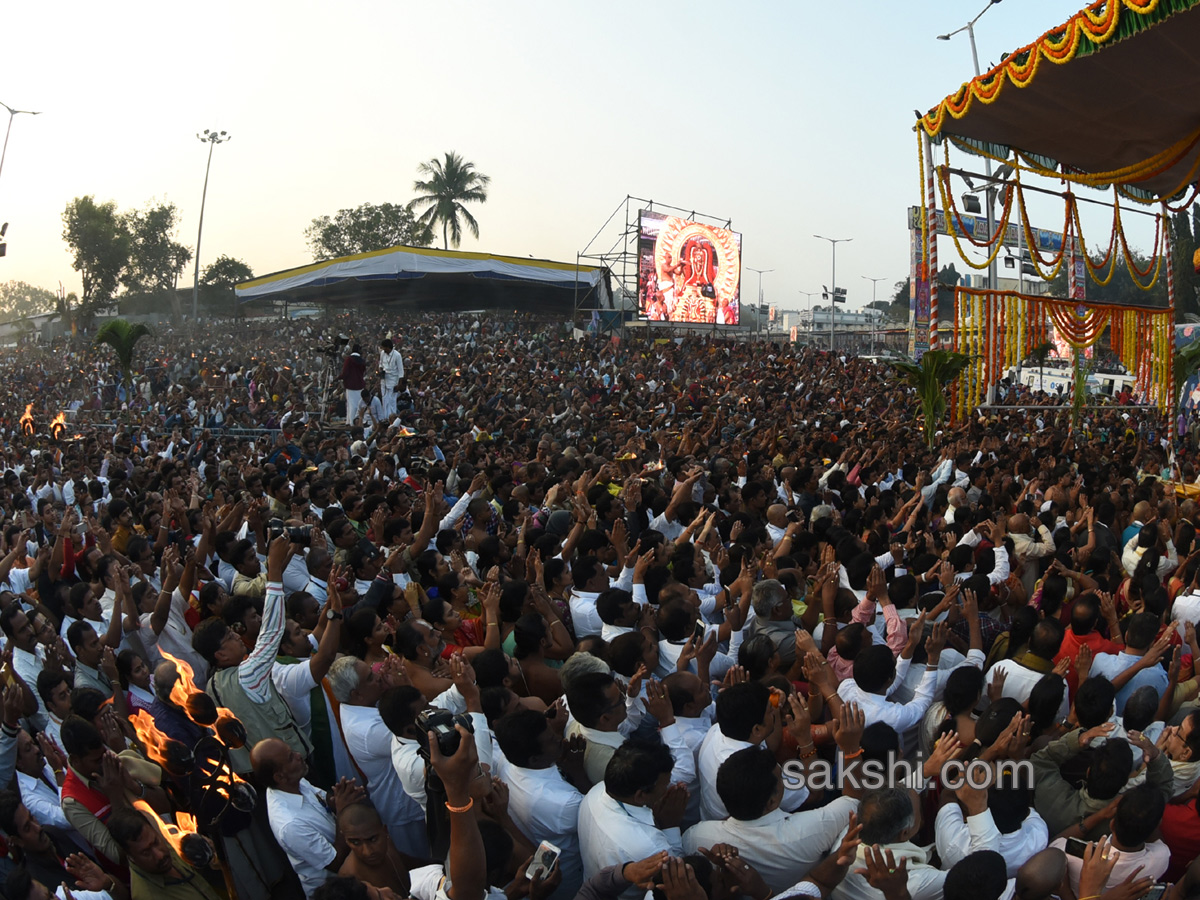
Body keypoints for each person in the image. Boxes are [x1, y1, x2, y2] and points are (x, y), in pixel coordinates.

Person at [251, 735, 366, 898]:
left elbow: (323, 799)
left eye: (292, 751)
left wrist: (342, 796)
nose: (298, 755)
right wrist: (342, 809)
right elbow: (336, 862)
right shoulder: (290, 825)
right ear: (279, 777)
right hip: (336, 890)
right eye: (291, 758)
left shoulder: (291, 783)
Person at [378, 338, 404, 420]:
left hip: (393, 380)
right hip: (384, 379)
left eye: (384, 348)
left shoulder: (397, 355)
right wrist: (381, 371)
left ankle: (393, 418)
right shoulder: (382, 353)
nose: (383, 349)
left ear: (388, 347)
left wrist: (399, 384)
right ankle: (386, 418)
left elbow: (401, 371)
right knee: (385, 399)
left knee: (392, 401)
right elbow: (381, 364)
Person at [342, 345, 367, 425]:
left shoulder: (349, 359)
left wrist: (339, 378)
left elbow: (345, 372)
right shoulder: (362, 360)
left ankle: (351, 422)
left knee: (351, 404)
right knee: (357, 404)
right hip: (360, 385)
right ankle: (351, 421)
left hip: (351, 385)